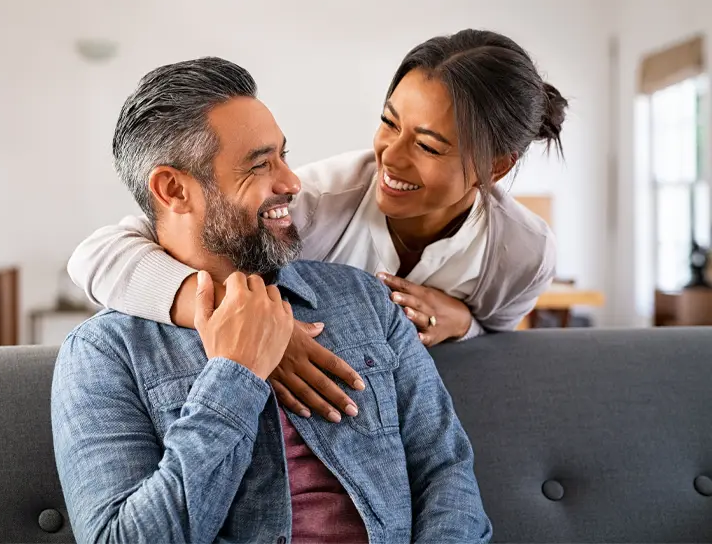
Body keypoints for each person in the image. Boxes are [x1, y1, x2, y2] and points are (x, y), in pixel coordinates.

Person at [51, 57, 491, 544]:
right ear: (174, 189)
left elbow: (446, 471)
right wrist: (234, 376)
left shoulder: (366, 299)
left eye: (284, 155)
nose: (292, 182)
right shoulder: (104, 353)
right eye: (261, 164)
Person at [68, 29, 566, 423]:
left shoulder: (522, 253)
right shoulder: (315, 202)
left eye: (428, 145)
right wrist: (248, 322)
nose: (389, 157)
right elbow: (98, 254)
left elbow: (498, 344)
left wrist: (464, 323)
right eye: (389, 122)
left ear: (495, 168)